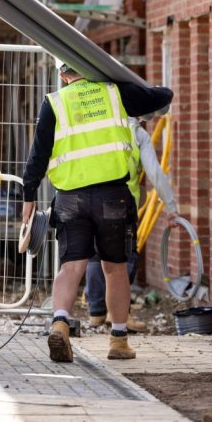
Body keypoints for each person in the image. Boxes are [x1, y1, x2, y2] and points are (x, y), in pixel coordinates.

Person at [22, 63, 172, 363]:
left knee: (71, 266)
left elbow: (38, 155)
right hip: (112, 197)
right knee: (114, 267)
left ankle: (61, 323)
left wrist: (28, 198)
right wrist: (119, 77)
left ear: (63, 75)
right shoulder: (116, 92)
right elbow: (161, 96)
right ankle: (118, 341)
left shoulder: (55, 103)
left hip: (70, 199)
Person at [86, 109, 180, 332]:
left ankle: (96, 313)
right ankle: (119, 314)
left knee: (95, 254)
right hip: (120, 203)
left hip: (91, 199)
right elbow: (155, 173)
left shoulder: (101, 125)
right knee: (124, 257)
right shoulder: (137, 133)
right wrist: (171, 206)